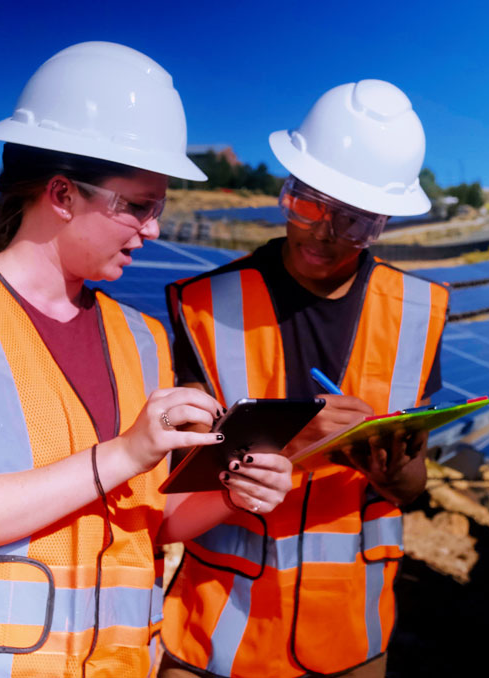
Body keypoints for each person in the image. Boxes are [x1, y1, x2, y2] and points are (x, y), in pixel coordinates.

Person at [0, 42, 292, 677]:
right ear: (61, 193)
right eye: (138, 206)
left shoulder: (138, 338)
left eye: (159, 208)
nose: (155, 230)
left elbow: (148, 519)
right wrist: (128, 451)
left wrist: (234, 494)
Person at [161, 80, 448, 678]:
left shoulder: (419, 314)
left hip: (352, 636)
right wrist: (294, 444)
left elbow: (412, 487)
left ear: (385, 221)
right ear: (286, 190)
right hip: (217, 631)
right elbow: (174, 485)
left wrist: (394, 469)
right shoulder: (204, 306)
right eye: (312, 206)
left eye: (355, 222)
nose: (325, 233)